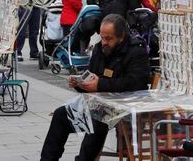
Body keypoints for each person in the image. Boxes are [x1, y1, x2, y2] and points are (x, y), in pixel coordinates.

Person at [40, 14, 150, 161]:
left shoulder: (136, 51)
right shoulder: (100, 49)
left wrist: (99, 84)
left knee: (97, 119)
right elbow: (92, 76)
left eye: (109, 38)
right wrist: (80, 84)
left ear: (121, 37)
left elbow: (135, 83)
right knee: (61, 115)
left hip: (126, 106)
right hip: (100, 103)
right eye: (102, 37)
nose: (104, 42)